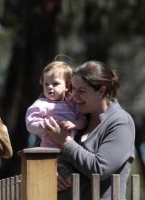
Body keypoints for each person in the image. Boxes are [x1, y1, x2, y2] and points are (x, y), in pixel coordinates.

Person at [43, 60, 135, 199]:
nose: (74, 95)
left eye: (82, 91)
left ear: (101, 91)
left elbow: (99, 168)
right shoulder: (77, 118)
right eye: (73, 89)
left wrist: (66, 141)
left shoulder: (120, 122)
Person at [25, 61, 87, 189]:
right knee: (56, 183)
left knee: (76, 181)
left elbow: (83, 121)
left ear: (67, 85)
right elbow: (30, 123)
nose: (50, 87)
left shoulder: (73, 103)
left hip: (70, 151)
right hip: (49, 153)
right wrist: (44, 126)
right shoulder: (41, 103)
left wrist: (74, 124)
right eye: (46, 84)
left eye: (55, 84)